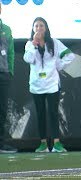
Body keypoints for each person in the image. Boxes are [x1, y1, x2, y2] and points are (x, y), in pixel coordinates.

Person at [23, 17, 75, 153]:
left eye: (41, 26)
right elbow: (28, 59)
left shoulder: (54, 43)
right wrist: (35, 45)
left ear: (46, 28)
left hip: (52, 84)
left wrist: (59, 65)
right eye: (36, 26)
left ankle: (57, 143)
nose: (39, 28)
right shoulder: (29, 44)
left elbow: (70, 55)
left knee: (53, 113)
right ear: (33, 29)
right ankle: (43, 144)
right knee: (40, 114)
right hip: (36, 85)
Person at [0, 2, 17, 153]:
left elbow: (11, 52)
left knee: (2, 110)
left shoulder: (6, 29)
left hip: (3, 74)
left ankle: (0, 144)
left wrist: (9, 71)